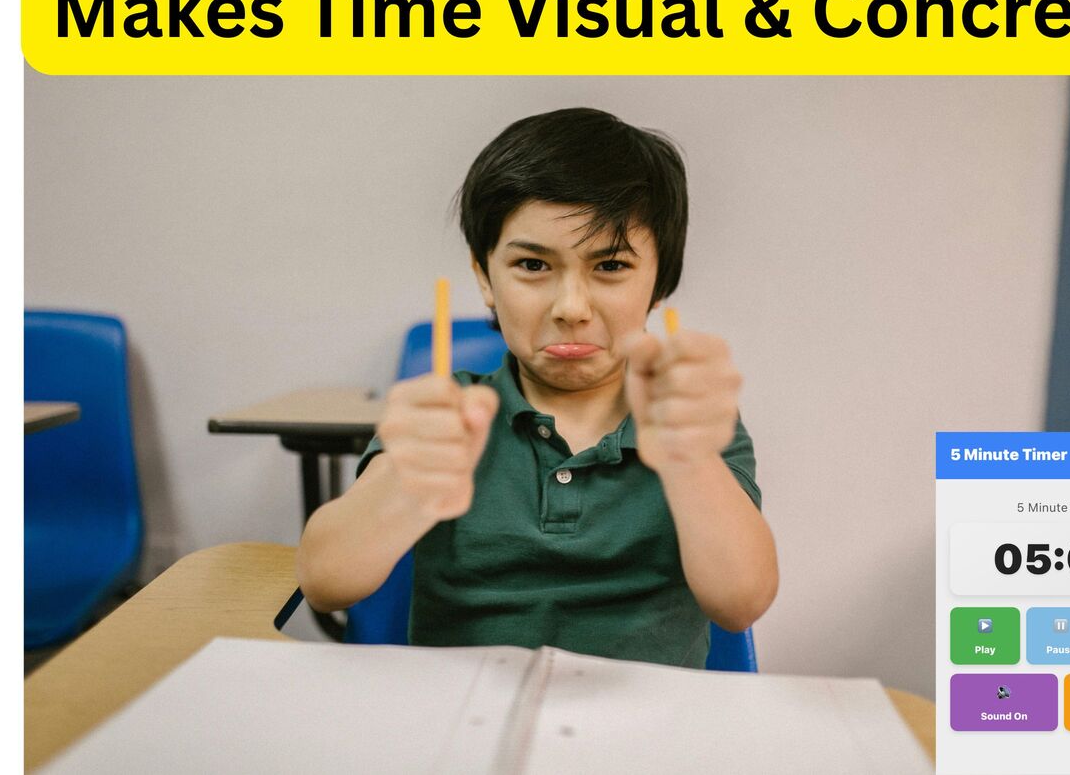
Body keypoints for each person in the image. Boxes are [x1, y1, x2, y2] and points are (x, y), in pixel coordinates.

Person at [296, 107, 778, 668]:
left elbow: (741, 603)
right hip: (461, 728)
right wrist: (408, 485)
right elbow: (326, 583)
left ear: (660, 282)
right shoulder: (448, 413)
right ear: (485, 278)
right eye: (531, 264)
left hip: (642, 740)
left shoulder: (686, 417)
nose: (571, 308)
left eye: (612, 266)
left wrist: (690, 464)